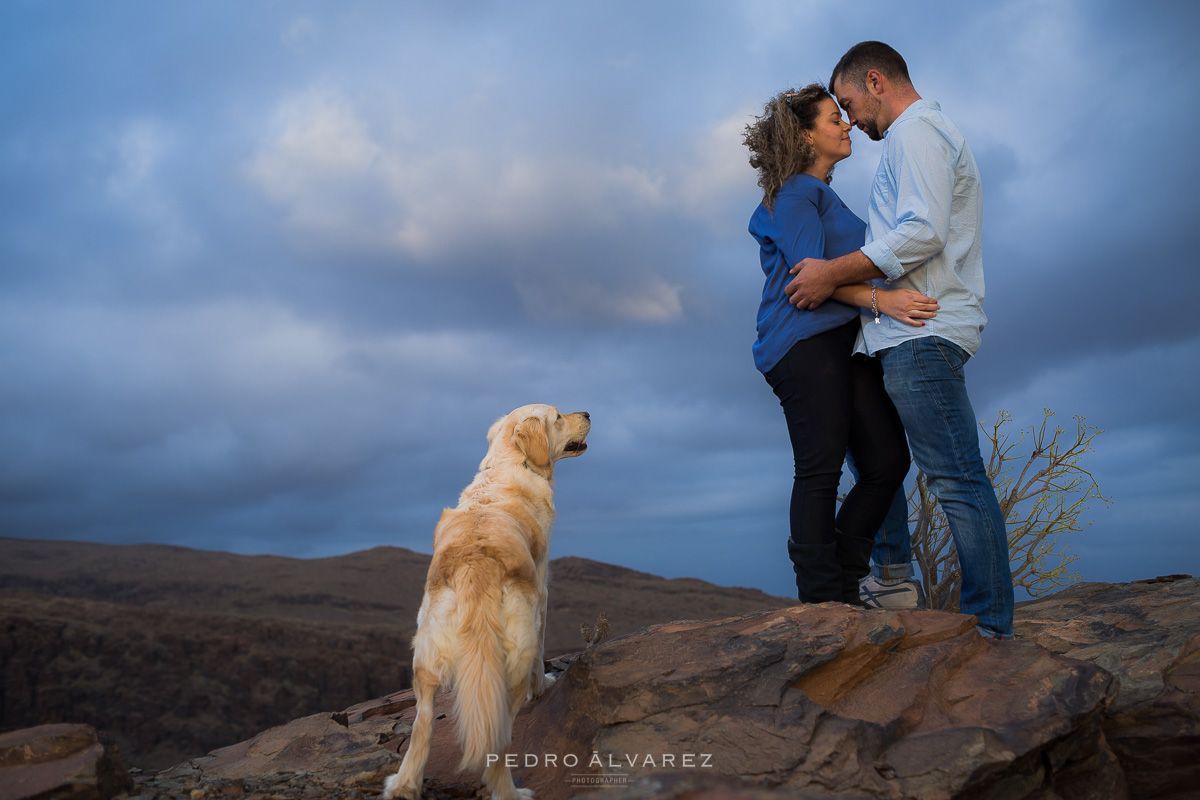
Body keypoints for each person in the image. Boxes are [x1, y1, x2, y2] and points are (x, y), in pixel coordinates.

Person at [785, 42, 1016, 639]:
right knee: (880, 460)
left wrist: (835, 273)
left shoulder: (917, 133)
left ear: (875, 81)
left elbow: (923, 232)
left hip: (923, 331)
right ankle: (890, 580)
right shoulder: (911, 139)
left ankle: (990, 629)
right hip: (898, 334)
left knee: (956, 478)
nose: (852, 118)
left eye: (850, 103)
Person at [743, 84, 938, 606]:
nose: (846, 124)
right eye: (834, 118)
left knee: (887, 462)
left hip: (841, 343)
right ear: (806, 136)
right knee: (820, 468)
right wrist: (883, 300)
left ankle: (845, 580)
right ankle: (822, 602)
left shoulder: (820, 194)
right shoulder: (794, 195)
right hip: (801, 344)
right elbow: (810, 283)